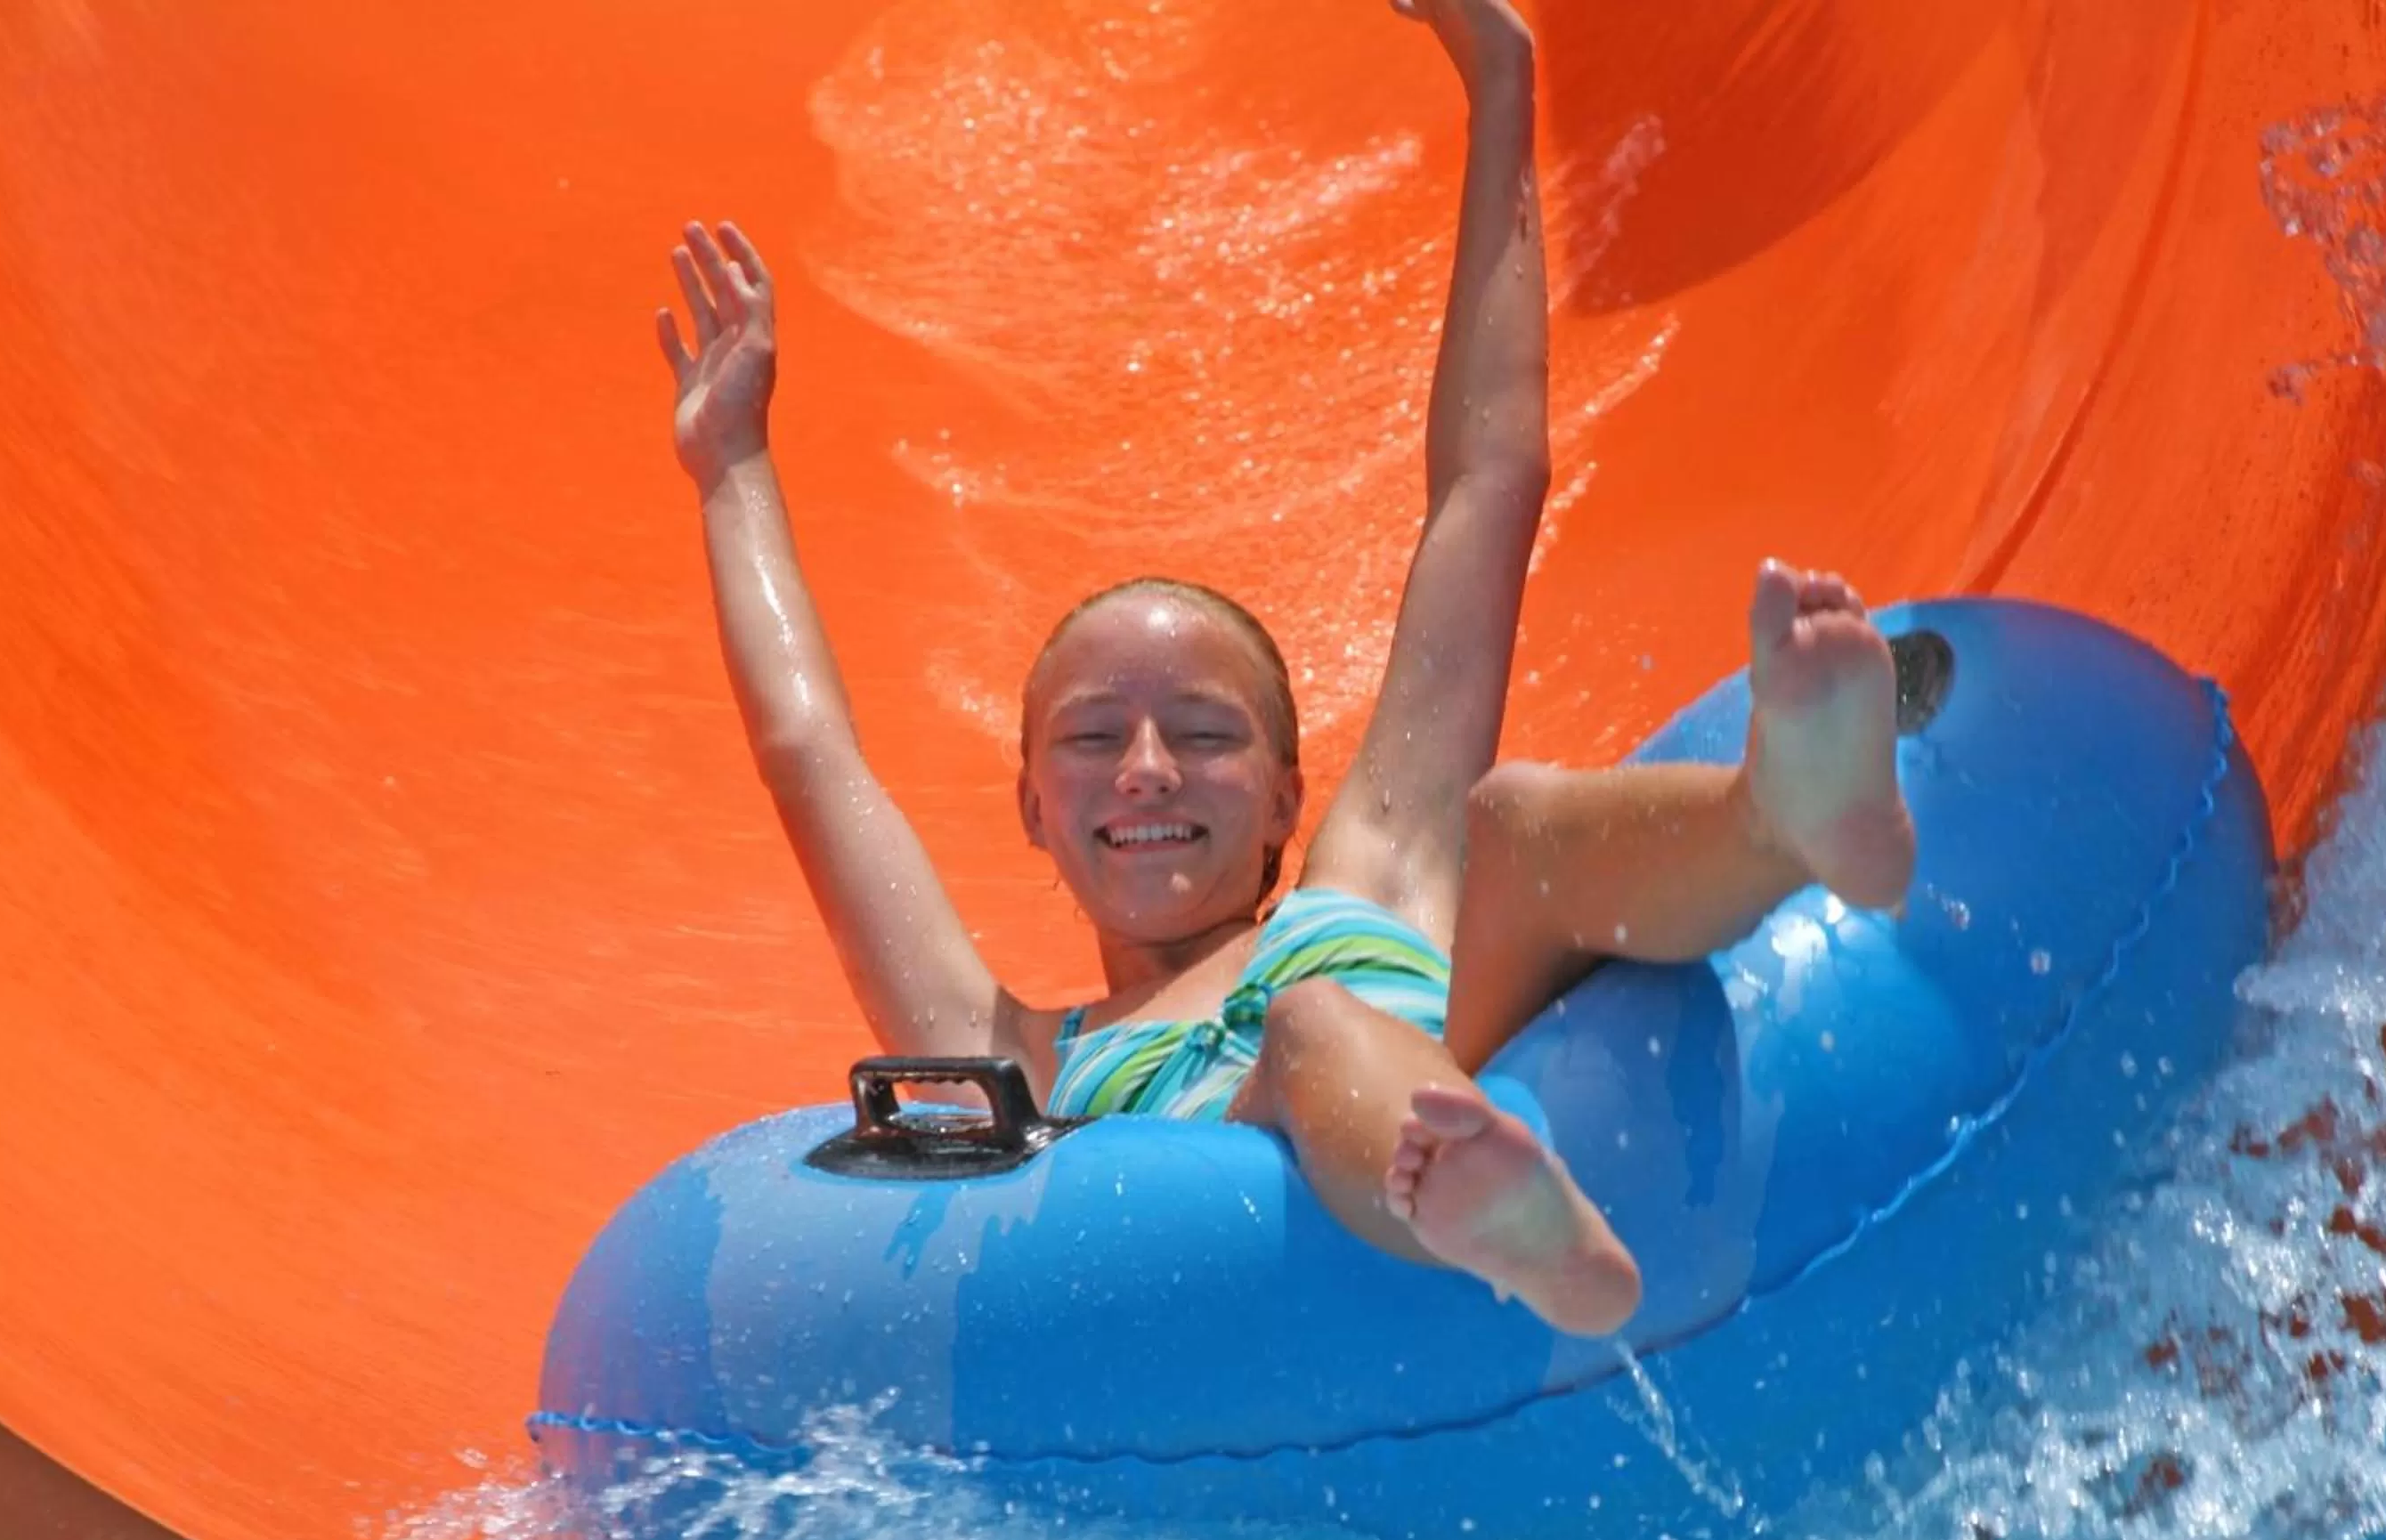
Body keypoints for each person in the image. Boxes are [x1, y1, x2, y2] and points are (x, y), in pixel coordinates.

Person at [653, 0, 1915, 1339]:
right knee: (1312, 1032)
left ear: (1284, 796)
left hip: (1470, 1071)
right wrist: (730, 465)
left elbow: (1489, 482)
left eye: (1203, 732)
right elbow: (813, 757)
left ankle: (1782, 818)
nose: (1146, 769)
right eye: (1091, 739)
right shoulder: (1011, 1052)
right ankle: (1488, 1210)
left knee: (1511, 822)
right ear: (1030, 804)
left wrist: (1503, 74)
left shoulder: (1370, 865)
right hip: (1312, 1295)